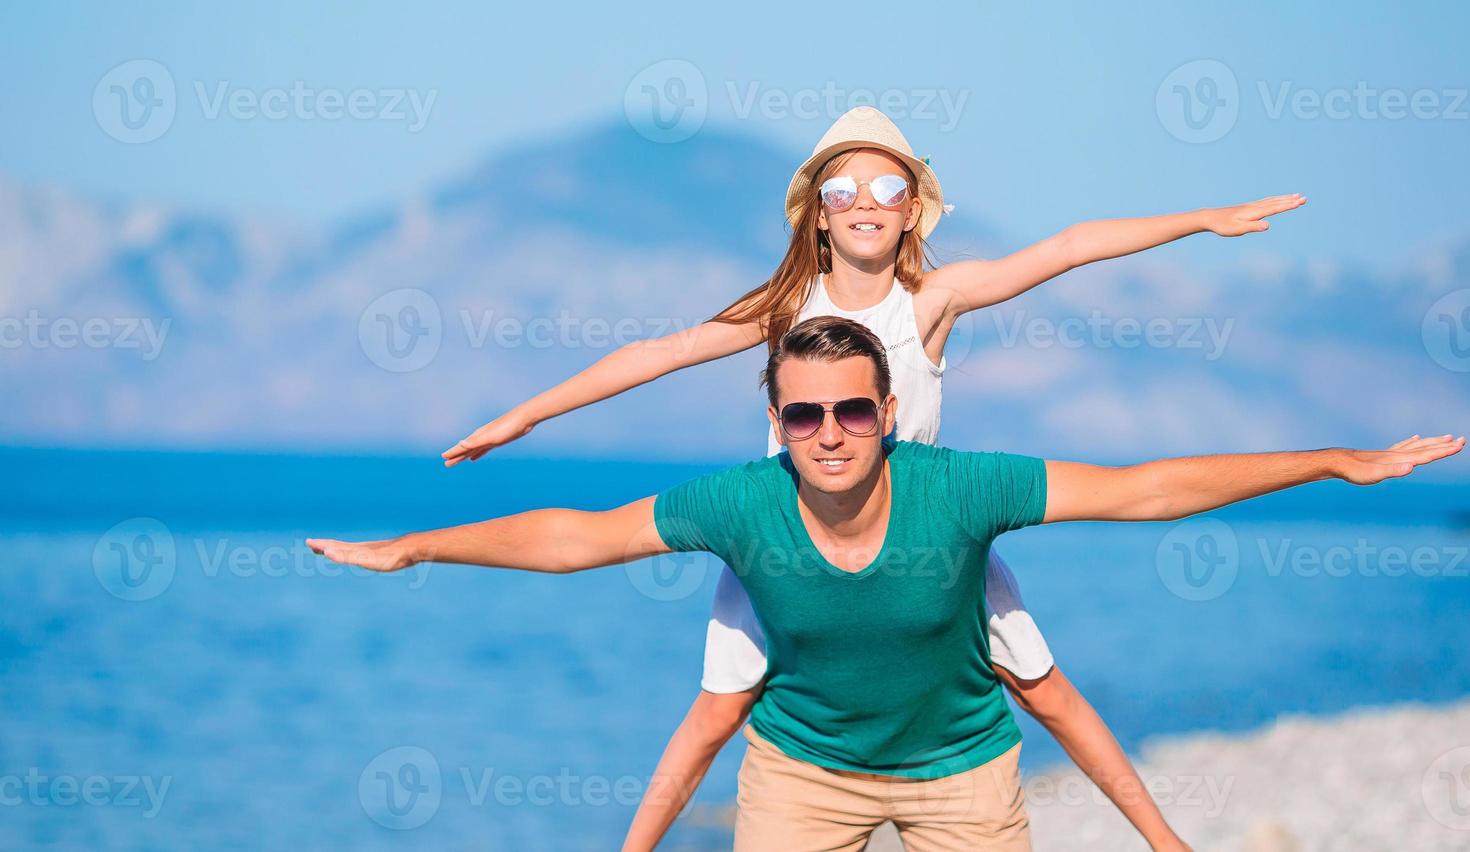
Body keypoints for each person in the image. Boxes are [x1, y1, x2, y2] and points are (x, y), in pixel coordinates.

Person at [439, 106, 1305, 849]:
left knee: (1047, 690)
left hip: (929, 544)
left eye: (888, 189)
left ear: (913, 214)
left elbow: (1070, 247)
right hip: (790, 550)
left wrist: (1198, 219)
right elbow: (661, 352)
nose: (864, 204)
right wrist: (529, 414)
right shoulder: (782, 307)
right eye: (842, 190)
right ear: (816, 214)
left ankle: (1162, 838)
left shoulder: (930, 301)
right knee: (713, 714)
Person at [311, 316, 1463, 850]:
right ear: (777, 419)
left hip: (962, 778)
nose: (828, 431)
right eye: (803, 412)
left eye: (852, 407)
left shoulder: (961, 488)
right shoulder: (740, 502)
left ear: (889, 411)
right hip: (804, 778)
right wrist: (416, 546)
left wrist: (1334, 459)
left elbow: (1146, 486)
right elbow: (578, 536)